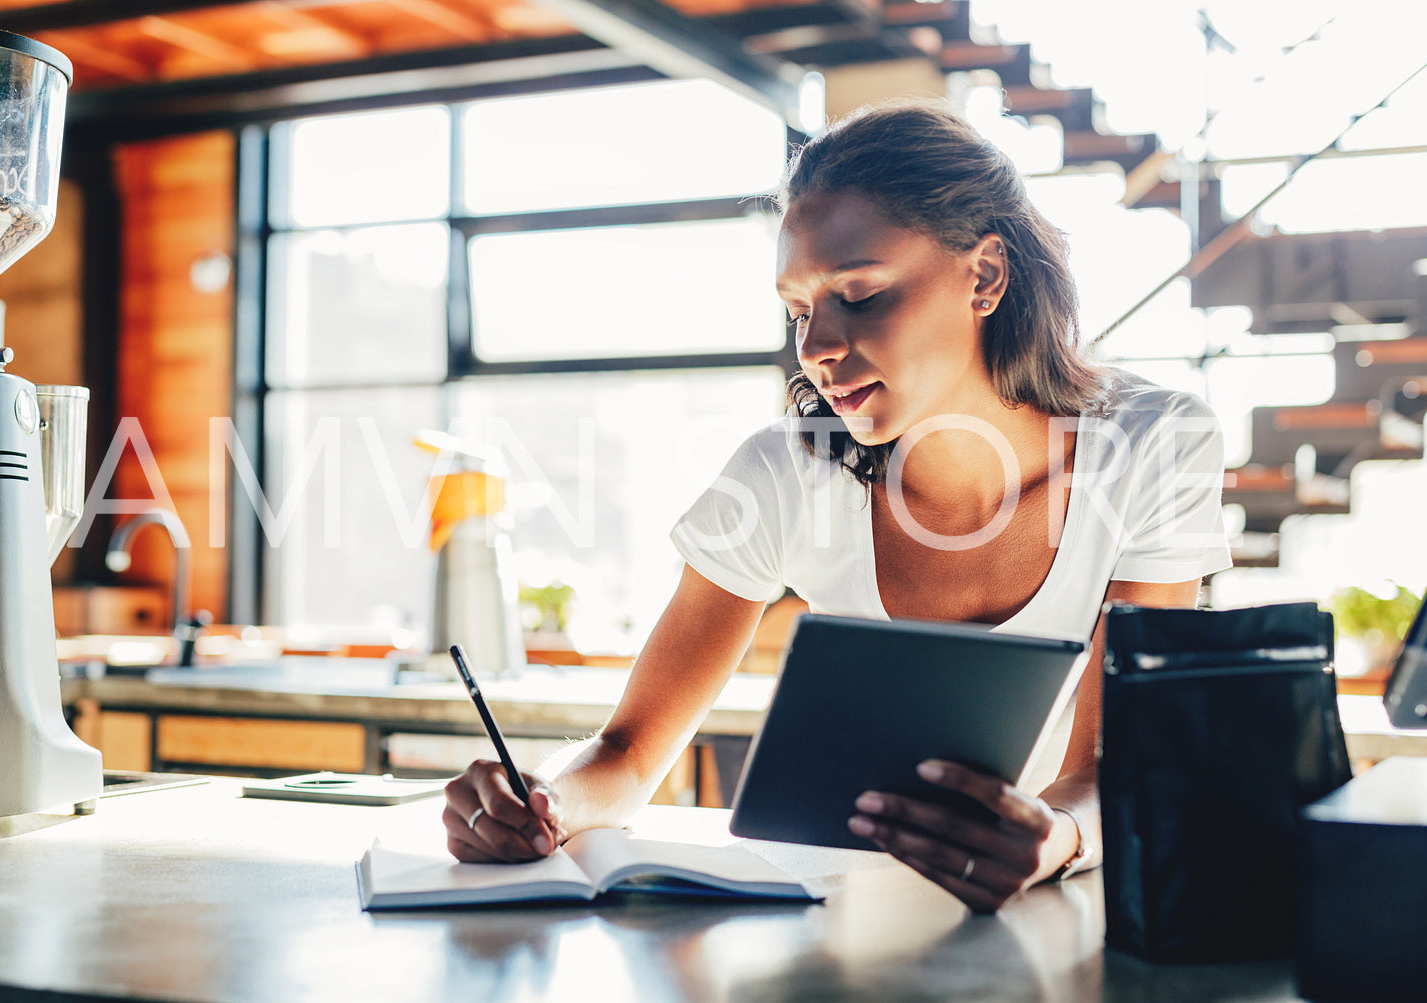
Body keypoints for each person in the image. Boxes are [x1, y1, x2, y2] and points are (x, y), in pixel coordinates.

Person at [443, 98, 1231, 914]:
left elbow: (1106, 765)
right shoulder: (781, 474)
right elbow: (630, 751)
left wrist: (1052, 837)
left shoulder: (1153, 445)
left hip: (1061, 909)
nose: (815, 347)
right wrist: (541, 800)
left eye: (859, 294)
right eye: (797, 310)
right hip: (842, 916)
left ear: (985, 275)